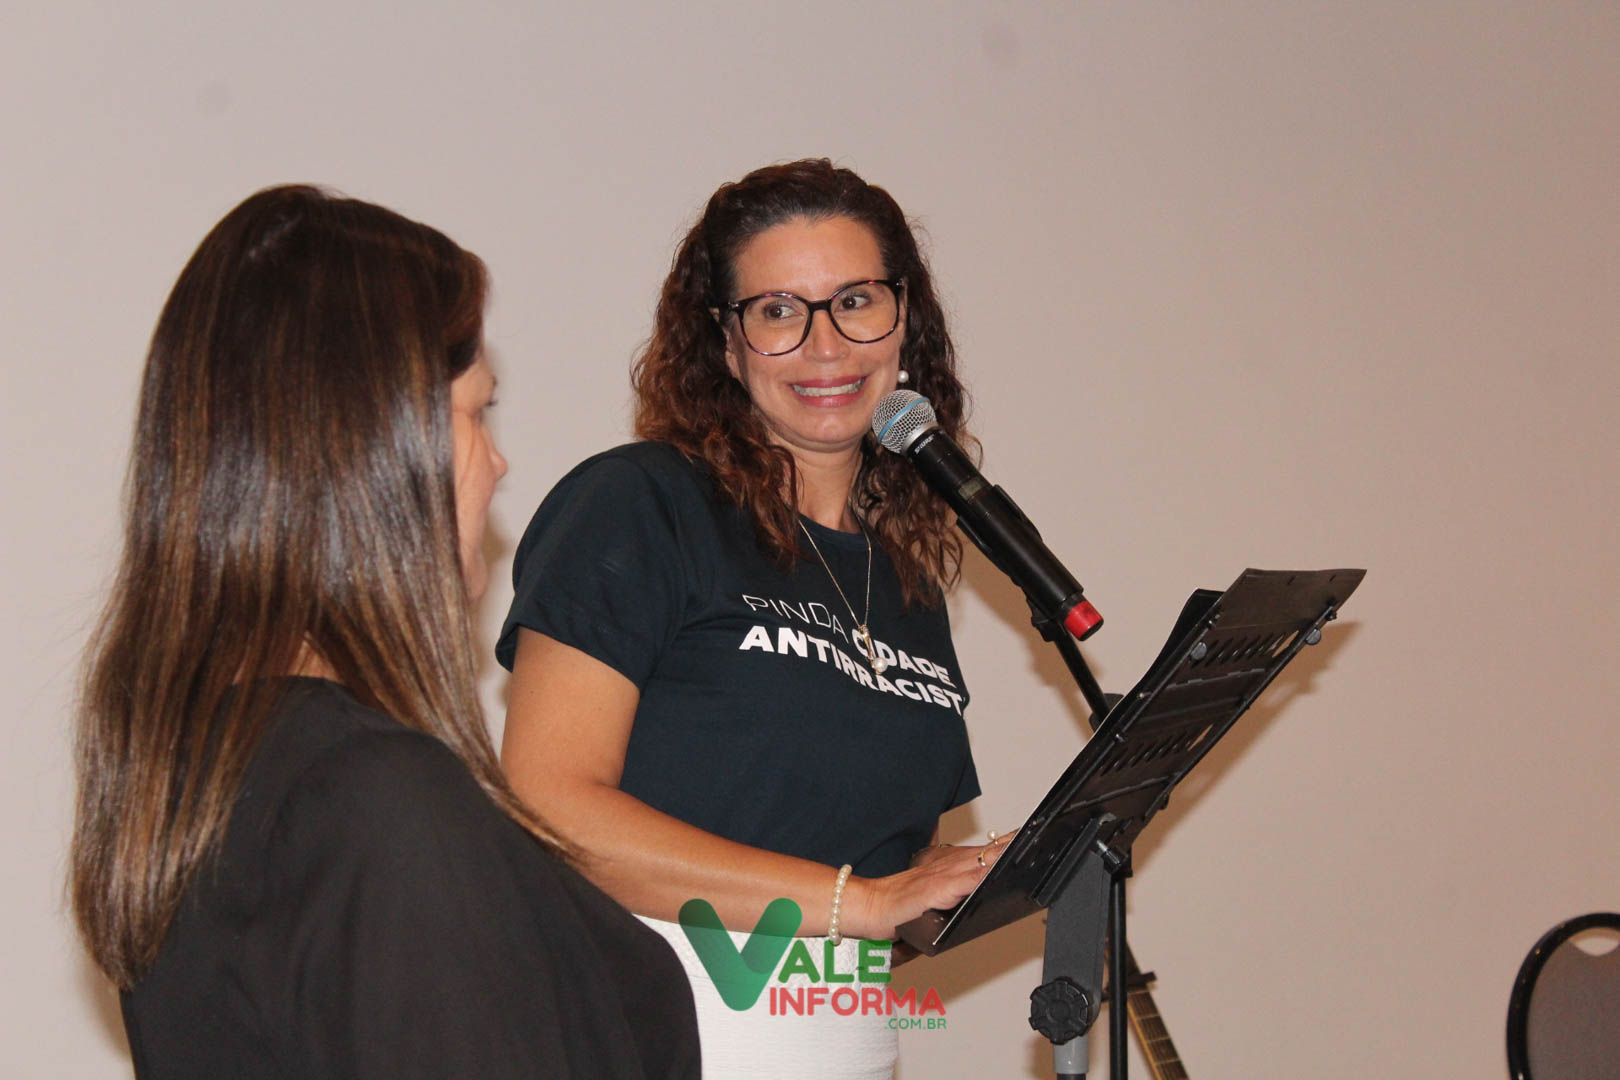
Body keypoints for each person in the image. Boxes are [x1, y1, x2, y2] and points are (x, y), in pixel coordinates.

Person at [69, 185, 700, 1079]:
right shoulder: (379, 798)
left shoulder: (212, 774)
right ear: (378, 446)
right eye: (476, 412)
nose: (498, 462)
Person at [498, 159, 1003, 1077]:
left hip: (846, 1046)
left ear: (905, 322)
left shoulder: (907, 585)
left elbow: (873, 894)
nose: (826, 346)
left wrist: (969, 886)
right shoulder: (640, 504)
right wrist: (863, 900)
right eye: (778, 311)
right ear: (726, 347)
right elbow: (547, 805)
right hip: (645, 1041)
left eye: (856, 301)